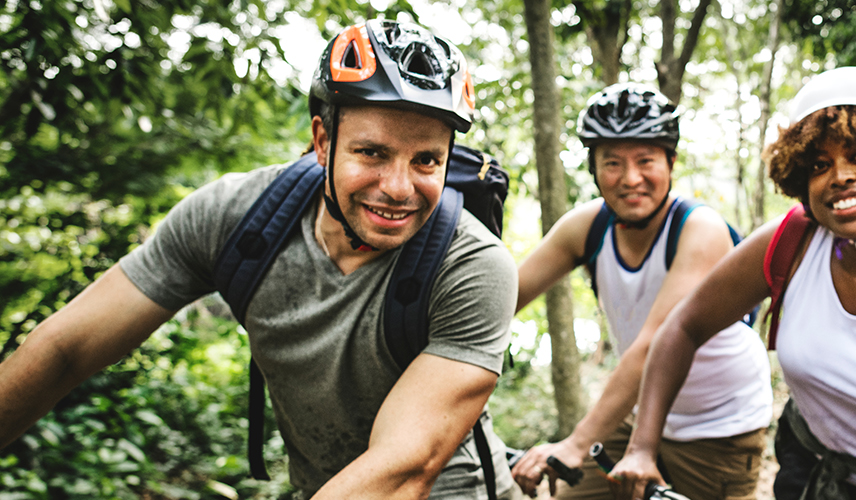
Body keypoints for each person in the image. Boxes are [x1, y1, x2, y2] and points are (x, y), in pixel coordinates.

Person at [0, 20, 521, 499]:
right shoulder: (236, 220)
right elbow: (65, 349)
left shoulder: (472, 265)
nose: (399, 188)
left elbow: (404, 467)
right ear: (322, 141)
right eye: (372, 153)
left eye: (426, 160)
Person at [607, 67, 856, 500]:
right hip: (808, 468)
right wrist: (641, 448)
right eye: (820, 165)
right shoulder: (789, 244)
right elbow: (682, 327)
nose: (839, 176)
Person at [510, 83, 772, 500]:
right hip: (635, 414)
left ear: (670, 162)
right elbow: (503, 298)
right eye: (612, 162)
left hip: (717, 425)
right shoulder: (588, 227)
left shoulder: (699, 229)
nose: (631, 179)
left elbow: (653, 344)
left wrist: (577, 443)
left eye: (645, 160)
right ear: (594, 169)